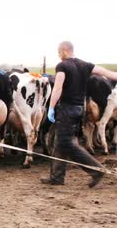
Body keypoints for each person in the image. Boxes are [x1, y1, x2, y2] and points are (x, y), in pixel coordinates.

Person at [41, 41, 117, 187]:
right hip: (78, 109)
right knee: (60, 141)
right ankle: (57, 177)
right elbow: (107, 73)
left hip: (66, 109)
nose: (58, 55)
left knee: (66, 143)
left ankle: (97, 170)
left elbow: (57, 88)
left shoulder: (62, 66)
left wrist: (51, 107)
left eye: (58, 52)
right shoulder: (85, 65)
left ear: (64, 51)